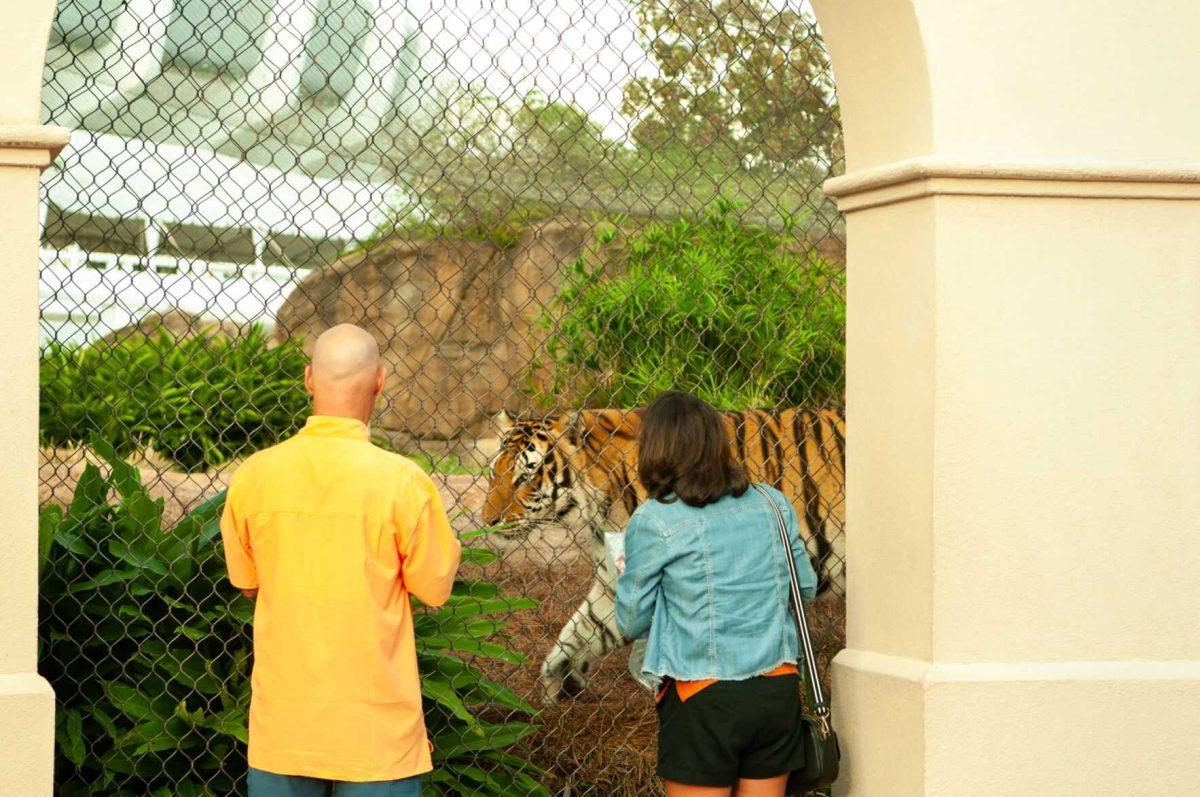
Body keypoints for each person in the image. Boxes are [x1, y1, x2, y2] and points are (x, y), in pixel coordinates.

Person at [220, 323, 461, 797]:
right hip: (377, 735)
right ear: (380, 381)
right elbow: (434, 588)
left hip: (285, 730)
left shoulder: (254, 477)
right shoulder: (404, 482)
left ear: (309, 379)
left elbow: (247, 583)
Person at [615, 391, 819, 797]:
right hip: (776, 689)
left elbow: (631, 621)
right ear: (716, 443)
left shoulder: (655, 519)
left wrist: (627, 577)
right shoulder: (771, 502)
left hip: (702, 695)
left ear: (653, 450)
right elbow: (806, 588)